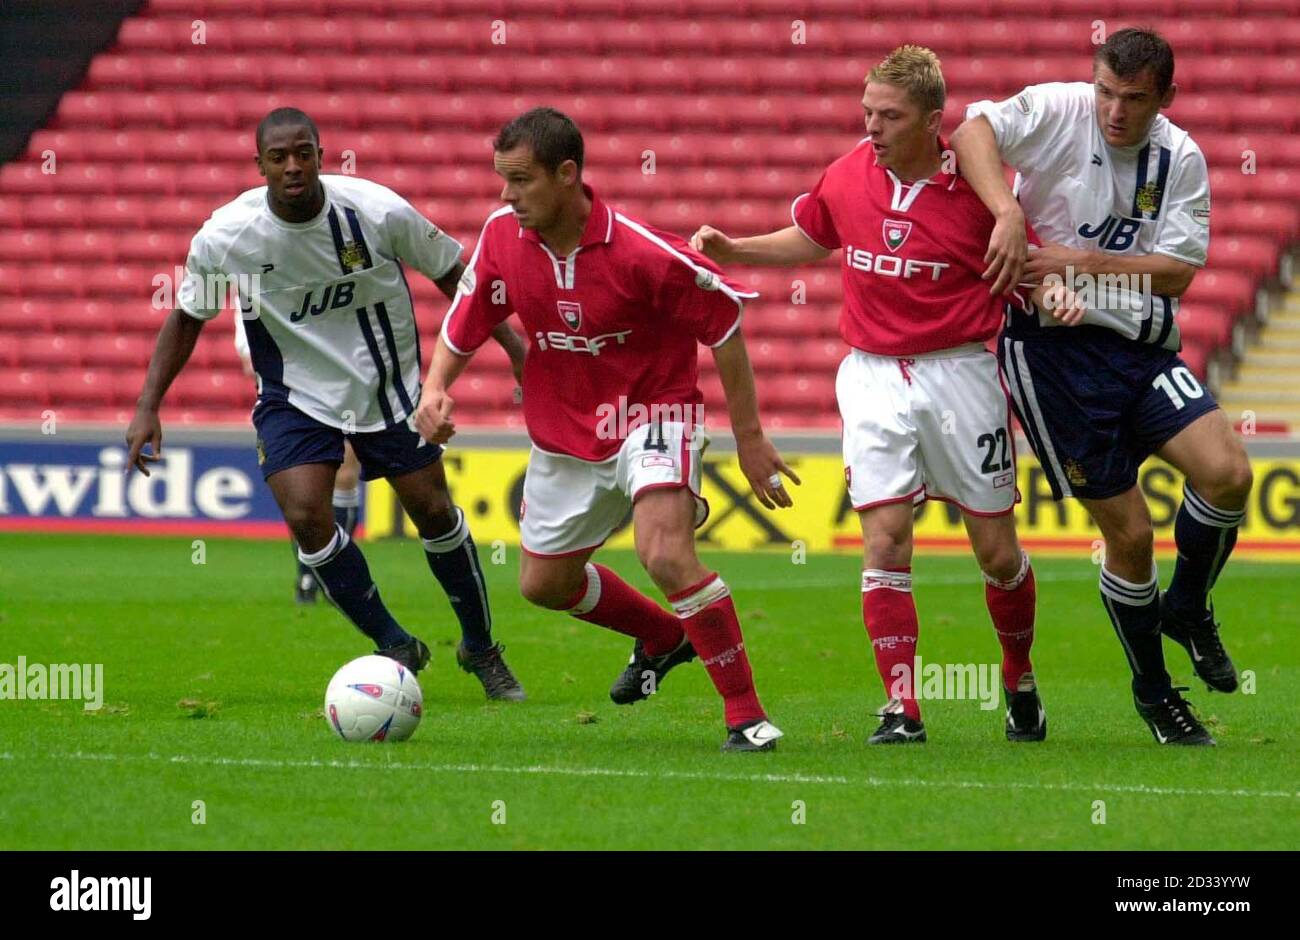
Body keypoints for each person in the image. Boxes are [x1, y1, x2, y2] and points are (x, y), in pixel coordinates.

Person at [692, 46, 1074, 744]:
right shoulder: (847, 173)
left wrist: (1057, 293)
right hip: (870, 374)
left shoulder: (982, 200)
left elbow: (1031, 272)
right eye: (867, 111)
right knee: (886, 540)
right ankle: (903, 709)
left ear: (934, 122)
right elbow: (812, 239)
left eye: (889, 116)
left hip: (960, 375)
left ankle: (1018, 677)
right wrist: (735, 250)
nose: (872, 126)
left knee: (995, 551)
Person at [415, 107, 796, 751]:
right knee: (543, 585)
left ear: (567, 175)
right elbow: (469, 312)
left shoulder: (642, 253)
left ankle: (746, 716)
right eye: (501, 179)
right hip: (564, 433)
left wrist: (751, 440)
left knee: (666, 554)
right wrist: (434, 388)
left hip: (653, 413)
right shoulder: (503, 235)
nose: (507, 195)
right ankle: (661, 636)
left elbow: (725, 325)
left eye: (520, 180)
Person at [125, 108, 529, 700]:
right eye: (279, 156)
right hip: (293, 396)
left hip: (387, 387)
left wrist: (515, 349)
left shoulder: (375, 211)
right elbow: (188, 317)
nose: (293, 165)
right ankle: (393, 642)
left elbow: (455, 275)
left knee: (434, 512)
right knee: (306, 516)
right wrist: (147, 404)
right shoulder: (227, 237)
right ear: (259, 165)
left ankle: (480, 647)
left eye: (304, 153)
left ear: (321, 154)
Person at [952, 27, 1253, 744]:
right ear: (1093, 81)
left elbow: (1179, 272)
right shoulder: (1059, 111)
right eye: (1107, 92)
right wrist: (1007, 211)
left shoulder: (1178, 157)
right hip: (1052, 359)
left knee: (1229, 474)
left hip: (1138, 343)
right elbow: (969, 132)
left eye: (1135, 99)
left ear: (1166, 99)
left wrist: (1074, 264)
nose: (1115, 111)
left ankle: (1186, 606)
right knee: (1133, 533)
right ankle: (1155, 695)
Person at [237, 315, 363, 605]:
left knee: (345, 474)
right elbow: (249, 360)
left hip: (345, 382)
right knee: (304, 495)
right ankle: (308, 575)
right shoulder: (253, 284)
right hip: (294, 395)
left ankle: (338, 576)